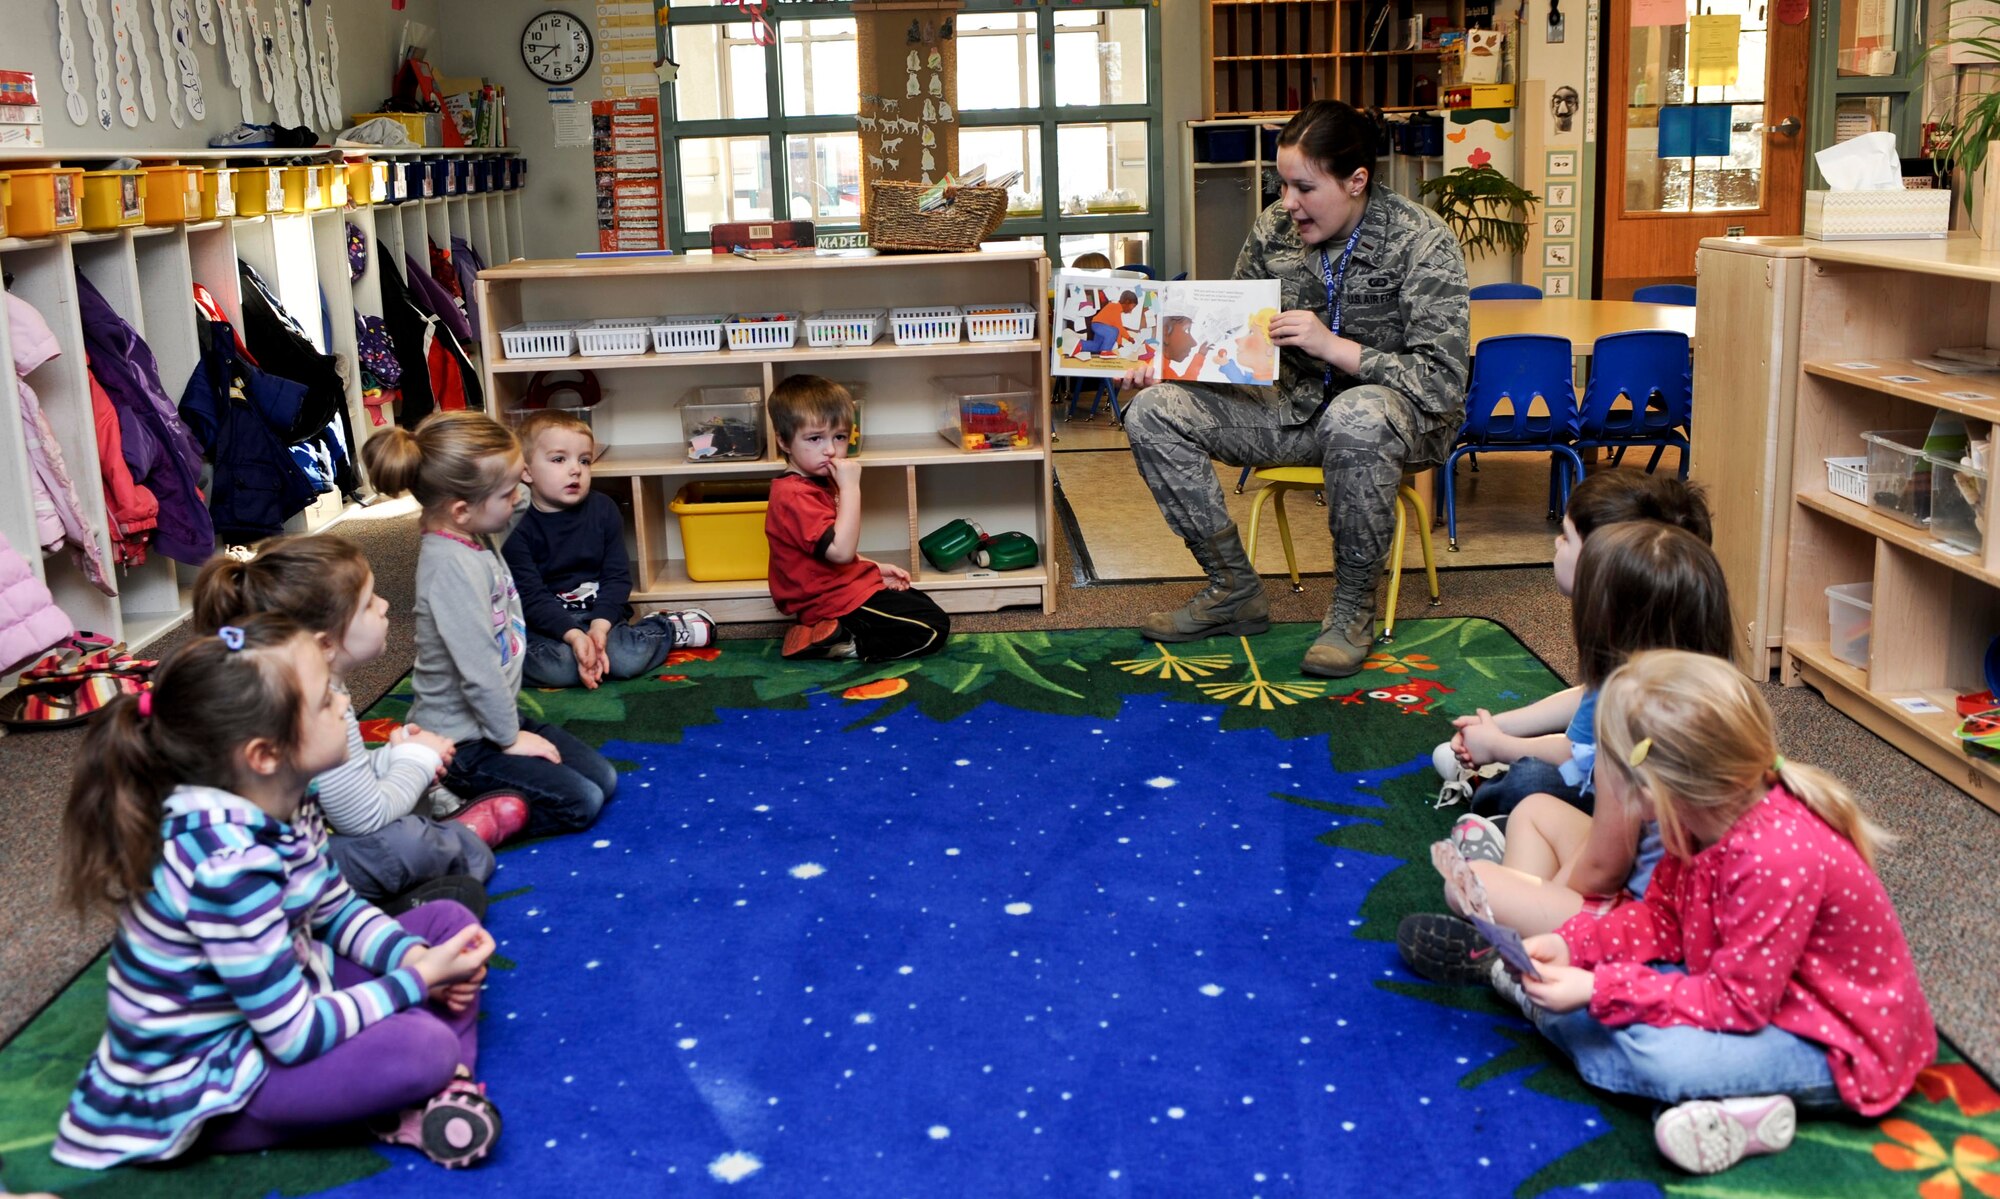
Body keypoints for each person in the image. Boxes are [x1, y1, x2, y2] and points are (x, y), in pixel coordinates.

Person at [52, 616, 501, 1171]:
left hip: (284, 996)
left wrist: (413, 956)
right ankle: (421, 1078)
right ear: (265, 754)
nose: (344, 704)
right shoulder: (228, 869)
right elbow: (292, 1034)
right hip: (214, 1080)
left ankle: (441, 1086)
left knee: (448, 925)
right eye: (324, 700)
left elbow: (335, 910)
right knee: (423, 1044)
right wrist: (419, 980)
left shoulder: (288, 800)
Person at [1506, 650, 1934, 1176]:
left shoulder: (1775, 855)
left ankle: (1735, 1101)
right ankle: (1723, 1102)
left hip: (1838, 1042)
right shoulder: (1694, 824)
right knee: (1615, 997)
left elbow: (1738, 1004)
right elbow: (1661, 921)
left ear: (1665, 789)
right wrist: (1576, 944)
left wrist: (1595, 990)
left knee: (1654, 1055)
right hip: (1758, 990)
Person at [1122, 99, 1470, 677]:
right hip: (1293, 411)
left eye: (1304, 187)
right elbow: (1233, 340)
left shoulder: (1421, 241)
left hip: (1394, 424)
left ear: (1356, 180)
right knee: (1154, 410)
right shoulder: (1273, 229)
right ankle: (1232, 588)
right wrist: (1170, 366)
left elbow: (1442, 382)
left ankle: (1351, 611)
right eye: (1281, 185)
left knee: (1356, 415)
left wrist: (1336, 347)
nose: (1287, 204)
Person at [1398, 520, 1736, 982]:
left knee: (1465, 888)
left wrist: (1548, 912)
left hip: (1651, 922)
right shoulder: (1723, 696)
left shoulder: (1630, 715)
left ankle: (1518, 961)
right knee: (1536, 809)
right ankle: (1521, 929)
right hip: (1687, 894)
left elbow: (1603, 868)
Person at [190, 535, 527, 910]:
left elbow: (336, 779)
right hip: (276, 879)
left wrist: (394, 756)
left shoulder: (314, 688)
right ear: (325, 644)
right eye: (368, 603)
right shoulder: (313, 705)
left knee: (417, 840)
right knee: (409, 841)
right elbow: (364, 817)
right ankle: (455, 848)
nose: (384, 606)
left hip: (299, 848)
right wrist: (415, 762)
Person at [361, 411, 620, 837]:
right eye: (507, 493)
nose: (519, 498)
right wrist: (510, 740)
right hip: (458, 743)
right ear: (462, 510)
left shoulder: (473, 529)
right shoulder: (449, 569)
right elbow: (478, 670)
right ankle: (451, 806)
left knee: (604, 780)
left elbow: (520, 501)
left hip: (494, 720)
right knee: (581, 801)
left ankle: (486, 778)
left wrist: (527, 466)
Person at [1434, 470, 1715, 816]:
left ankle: (1499, 806)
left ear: (1601, 563)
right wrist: (1501, 724)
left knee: (1526, 781)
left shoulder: (1630, 654)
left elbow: (1581, 754)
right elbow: (1589, 696)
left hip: (1633, 807)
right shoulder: (1656, 626)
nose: (1556, 543)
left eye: (1566, 538)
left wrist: (1499, 745)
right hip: (1640, 788)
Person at [501, 409, 714, 690]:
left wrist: (599, 628)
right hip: (546, 624)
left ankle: (665, 627)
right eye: (559, 459)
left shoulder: (603, 509)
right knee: (561, 668)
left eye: (585, 460)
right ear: (526, 471)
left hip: (599, 614)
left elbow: (616, 578)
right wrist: (574, 636)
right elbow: (528, 595)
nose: (575, 469)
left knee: (625, 661)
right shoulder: (514, 521)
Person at [764, 375, 949, 661]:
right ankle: (842, 643)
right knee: (931, 628)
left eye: (838, 437)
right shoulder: (794, 495)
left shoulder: (813, 482)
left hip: (839, 588)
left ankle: (834, 631)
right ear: (784, 441)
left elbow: (821, 551)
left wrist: (874, 568)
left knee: (919, 603)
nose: (830, 449)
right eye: (815, 438)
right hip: (829, 600)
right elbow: (840, 552)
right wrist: (851, 488)